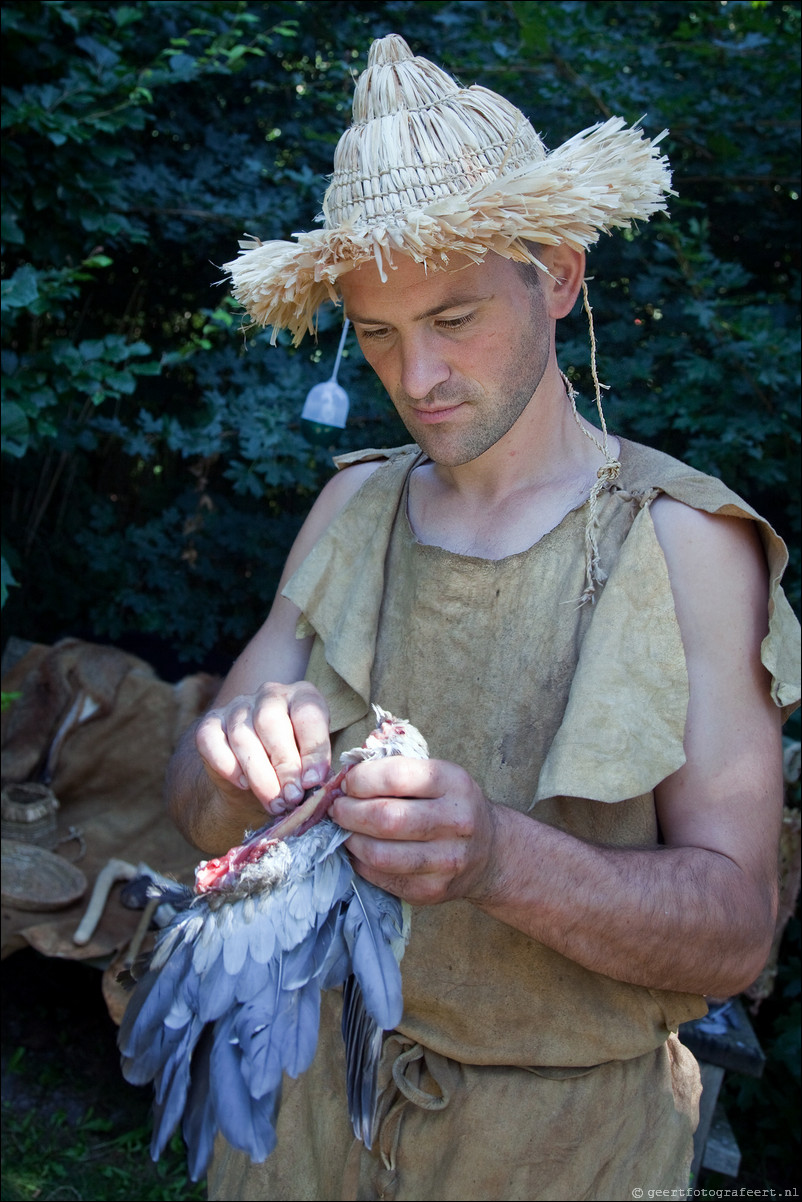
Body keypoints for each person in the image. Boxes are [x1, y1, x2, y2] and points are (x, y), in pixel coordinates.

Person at [166, 34, 800, 1202]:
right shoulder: (352, 503)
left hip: (552, 1153)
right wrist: (228, 758)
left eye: (454, 317)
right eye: (378, 334)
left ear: (557, 275)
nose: (417, 378)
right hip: (296, 1119)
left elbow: (732, 929)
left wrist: (499, 855)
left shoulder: (683, 544)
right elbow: (196, 807)